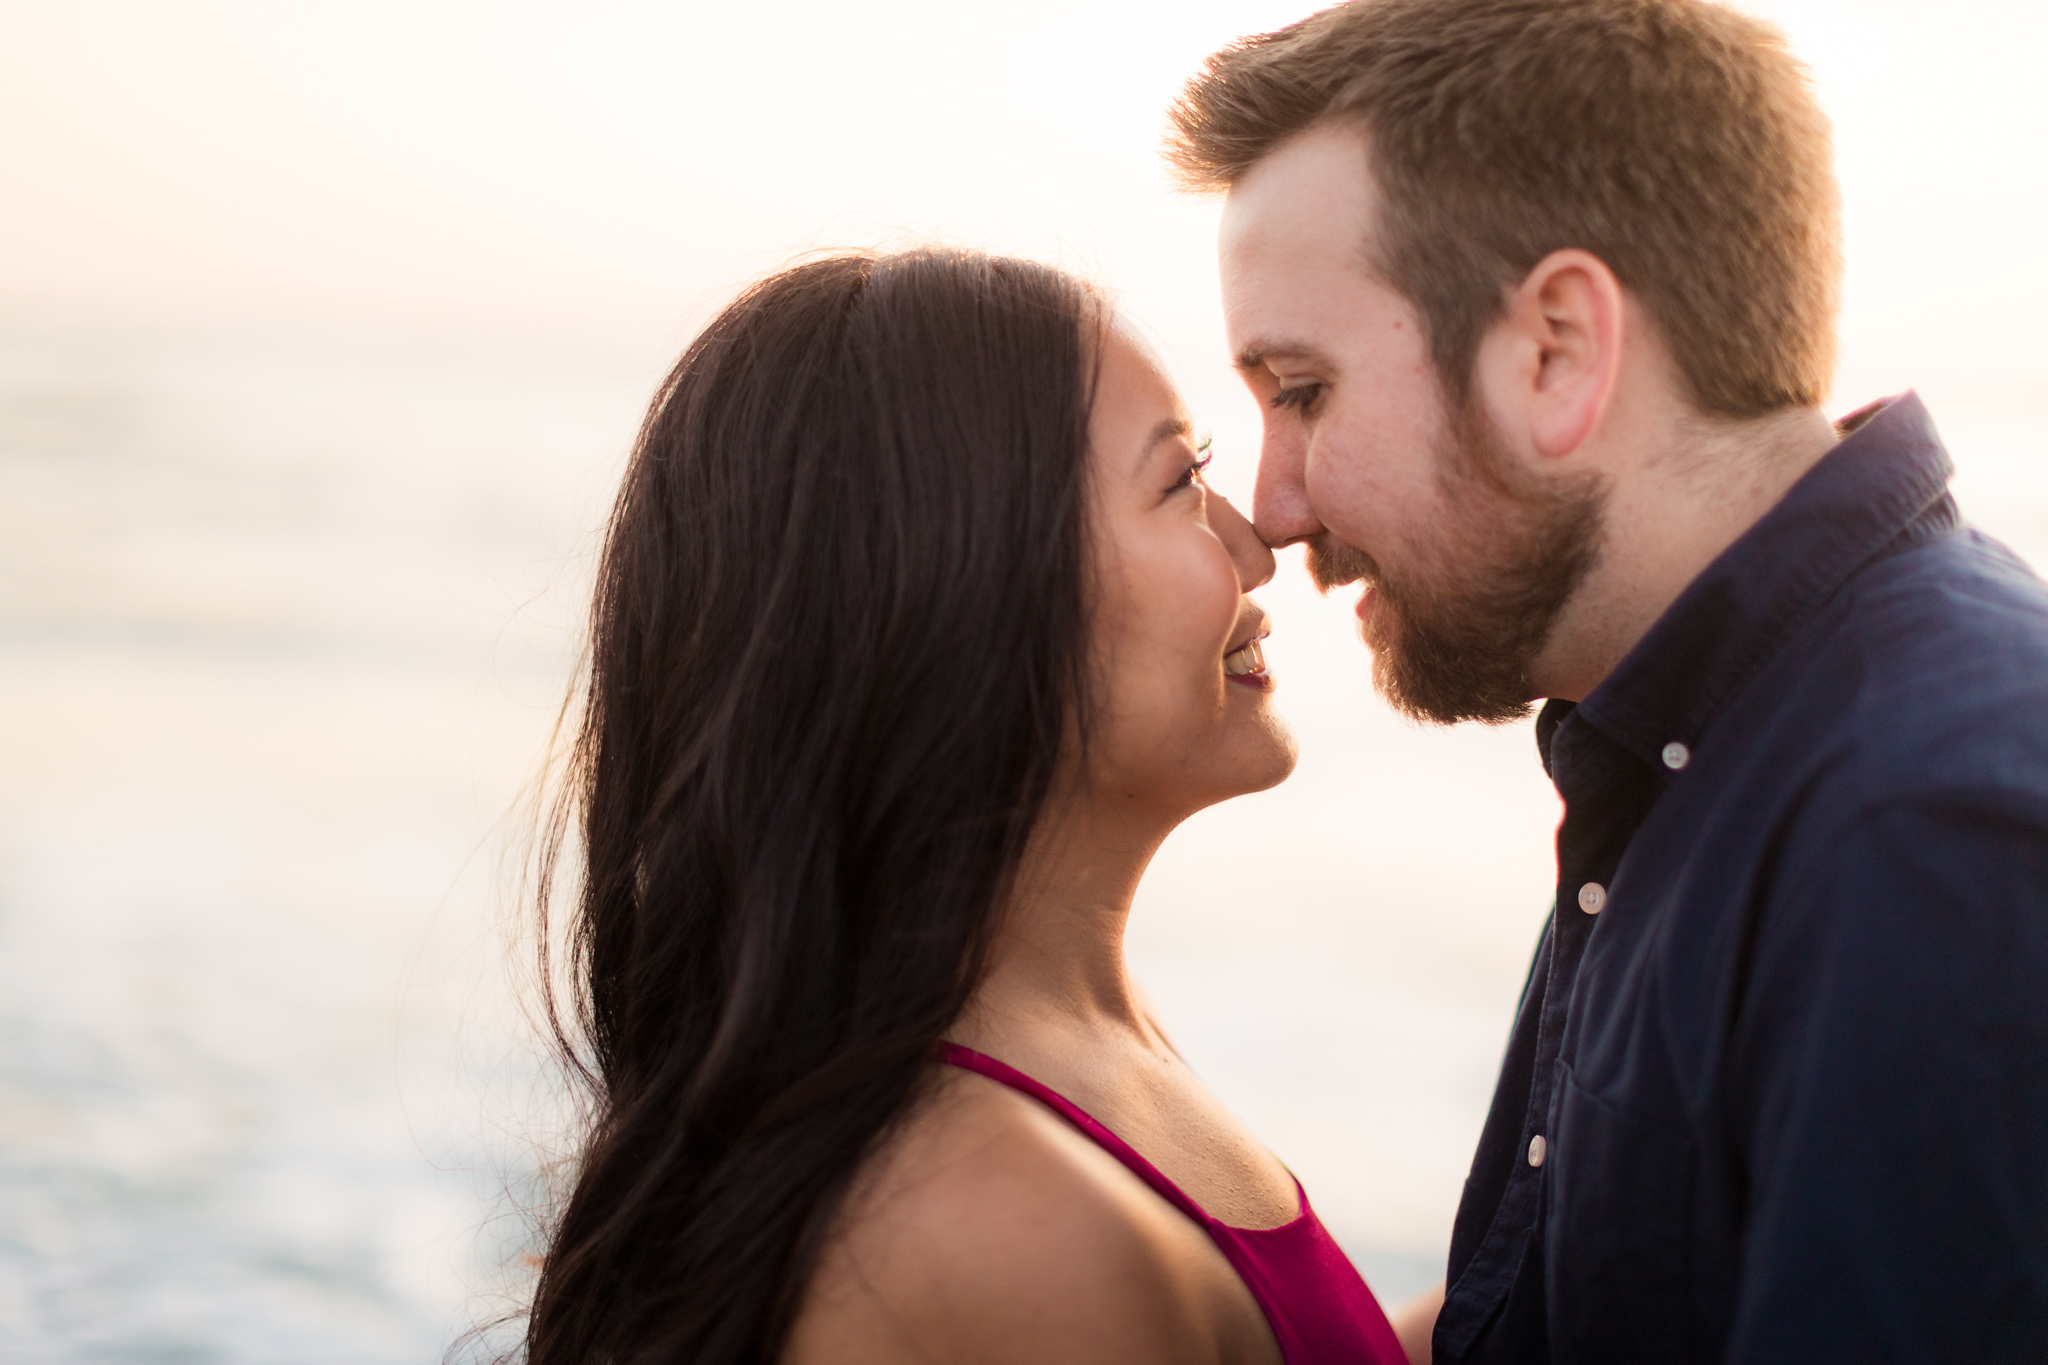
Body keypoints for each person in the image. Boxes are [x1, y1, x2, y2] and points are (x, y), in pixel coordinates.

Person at [1169, 0, 2048, 1361]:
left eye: (1301, 389)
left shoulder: (1921, 825)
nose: (1275, 507)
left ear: (1559, 348)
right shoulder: (1699, 734)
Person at [522, 248, 1427, 1365]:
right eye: (1178, 484)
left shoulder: (1059, 1050)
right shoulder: (997, 1230)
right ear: (969, 591)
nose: (1255, 548)